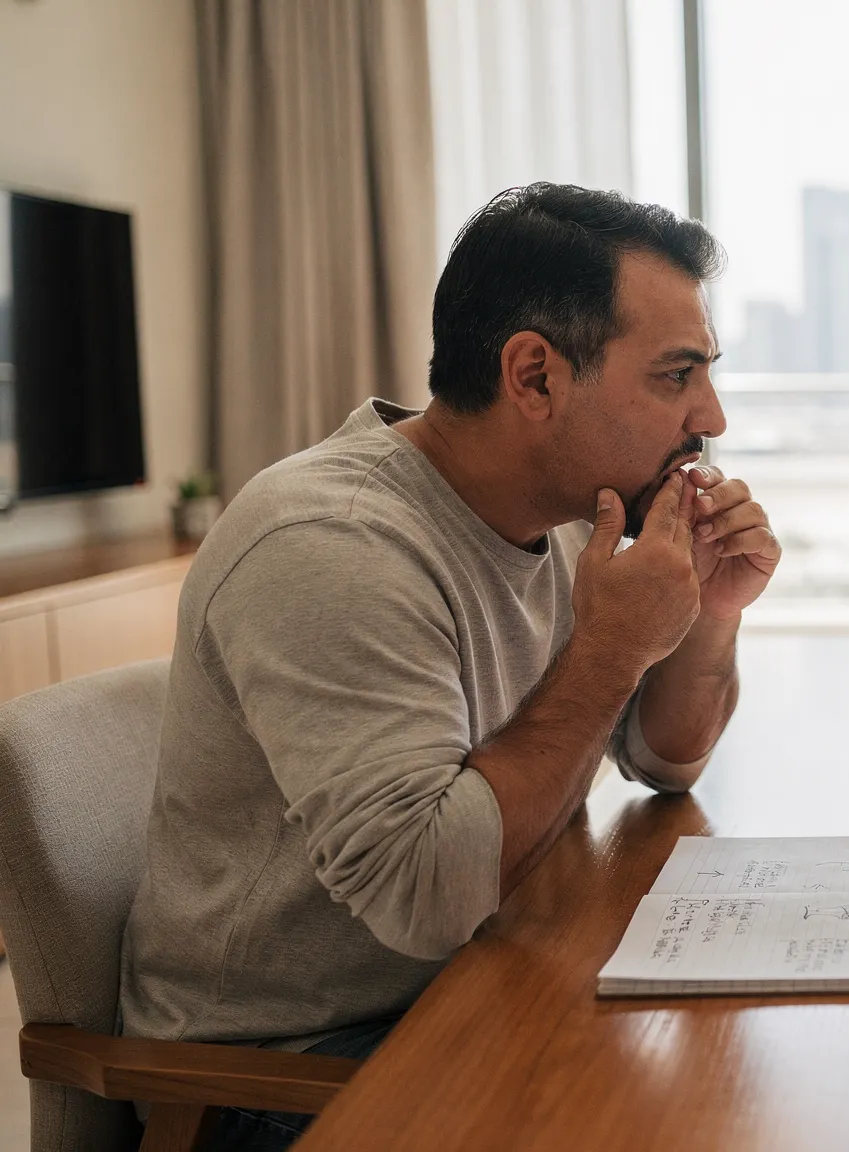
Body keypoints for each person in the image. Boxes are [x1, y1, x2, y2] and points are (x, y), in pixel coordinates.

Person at [119, 183, 778, 1148]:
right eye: (676, 376)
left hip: (483, 972)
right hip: (284, 1071)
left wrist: (710, 614)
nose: (711, 416)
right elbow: (426, 894)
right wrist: (614, 645)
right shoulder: (329, 544)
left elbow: (661, 759)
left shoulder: (563, 515)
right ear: (534, 377)